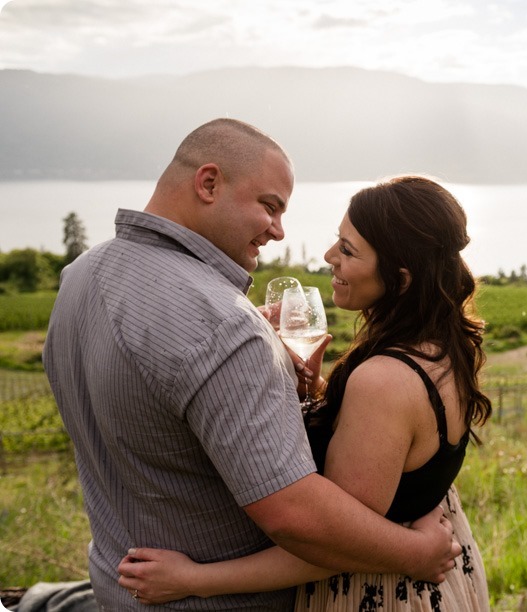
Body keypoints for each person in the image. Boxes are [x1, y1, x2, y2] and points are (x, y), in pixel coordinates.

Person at [42, 121, 459, 611]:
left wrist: (288, 381)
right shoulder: (226, 328)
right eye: (269, 206)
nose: (279, 230)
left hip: (120, 586)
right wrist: (416, 553)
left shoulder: (80, 277)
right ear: (209, 183)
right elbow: (295, 517)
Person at [115, 175, 493, 611]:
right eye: (338, 241)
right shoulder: (442, 349)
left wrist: (193, 579)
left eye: (348, 251)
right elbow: (399, 450)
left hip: (381, 594)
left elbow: (335, 545)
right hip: (445, 582)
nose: (329, 257)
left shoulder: (384, 380)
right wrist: (313, 388)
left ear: (401, 278)